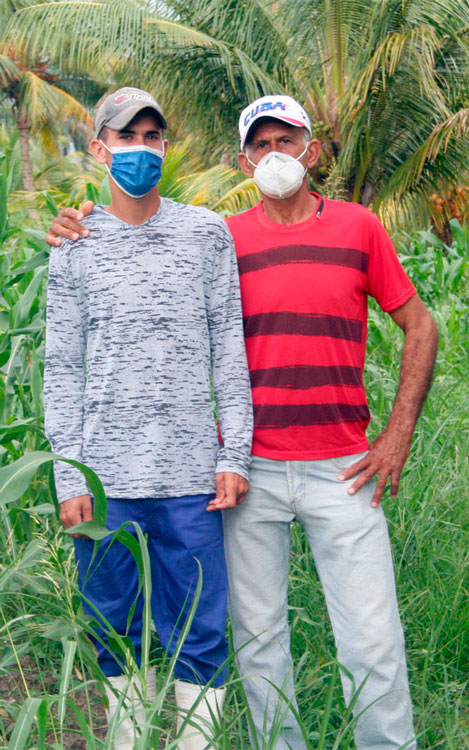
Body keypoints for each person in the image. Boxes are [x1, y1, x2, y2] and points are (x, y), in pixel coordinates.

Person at [46, 94, 438, 750]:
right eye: (261, 145)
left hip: (338, 467)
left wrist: (396, 437)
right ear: (242, 159)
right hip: (249, 472)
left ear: (310, 151)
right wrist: (76, 221)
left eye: (288, 142)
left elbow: (417, 324)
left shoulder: (351, 228)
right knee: (256, 645)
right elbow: (140, 246)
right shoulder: (220, 235)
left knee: (373, 643)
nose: (276, 155)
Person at [43, 86, 253, 750]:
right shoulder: (73, 243)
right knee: (113, 631)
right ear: (100, 149)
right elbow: (60, 367)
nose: (141, 149)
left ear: (166, 146)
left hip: (191, 477)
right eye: (126, 137)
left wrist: (233, 455)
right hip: (103, 480)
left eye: (152, 136)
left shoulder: (205, 233)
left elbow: (228, 347)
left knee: (200, 632)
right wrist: (69, 479)